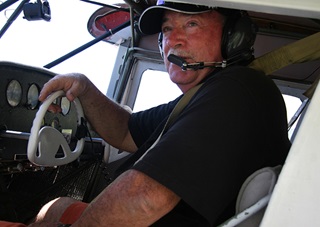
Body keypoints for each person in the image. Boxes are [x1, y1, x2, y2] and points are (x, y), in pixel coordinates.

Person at [1, 1, 291, 226]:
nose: (172, 40)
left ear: (234, 37)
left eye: (191, 23)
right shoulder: (205, 97)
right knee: (58, 207)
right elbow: (126, 130)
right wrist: (85, 88)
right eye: (166, 29)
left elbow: (145, 199)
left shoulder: (236, 90)